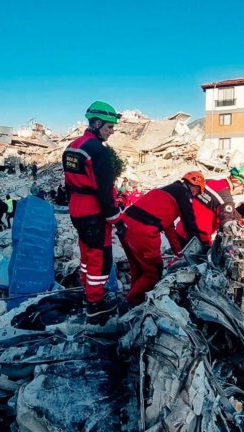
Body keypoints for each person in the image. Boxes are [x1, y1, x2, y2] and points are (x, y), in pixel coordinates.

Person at [62, 101, 123, 319]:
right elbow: (104, 191)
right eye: (109, 127)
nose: (111, 132)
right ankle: (95, 301)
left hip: (77, 209)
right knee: (100, 256)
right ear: (97, 123)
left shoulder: (72, 147)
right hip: (95, 212)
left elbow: (68, 184)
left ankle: (87, 289)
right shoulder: (100, 152)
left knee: (86, 252)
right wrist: (116, 219)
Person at [120, 172, 206, 306]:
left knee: (138, 267)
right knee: (154, 271)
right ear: (195, 188)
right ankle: (133, 301)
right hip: (143, 229)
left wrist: (179, 252)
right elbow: (190, 224)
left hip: (125, 224)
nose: (195, 197)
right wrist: (200, 247)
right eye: (197, 194)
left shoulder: (167, 190)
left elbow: (169, 228)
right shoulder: (184, 194)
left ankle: (136, 295)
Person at [174, 166, 244, 245]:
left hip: (181, 229)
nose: (242, 190)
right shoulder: (225, 198)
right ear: (237, 182)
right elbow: (227, 220)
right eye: (243, 187)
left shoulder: (207, 182)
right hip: (198, 239)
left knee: (178, 256)